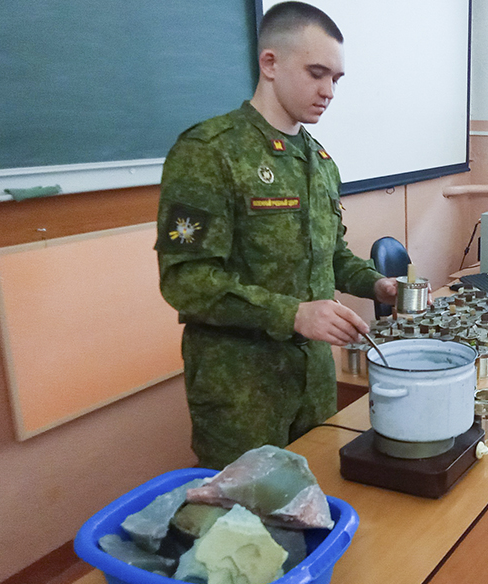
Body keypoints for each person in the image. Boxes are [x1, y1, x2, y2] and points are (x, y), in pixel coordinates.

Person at [154, 2, 397, 469]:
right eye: (316, 73)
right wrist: (294, 314)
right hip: (242, 391)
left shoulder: (319, 163)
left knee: (313, 495)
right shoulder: (209, 153)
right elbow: (185, 280)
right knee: (249, 509)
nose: (328, 92)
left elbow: (331, 256)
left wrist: (377, 284)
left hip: (312, 384)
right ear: (270, 63)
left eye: (336, 79)